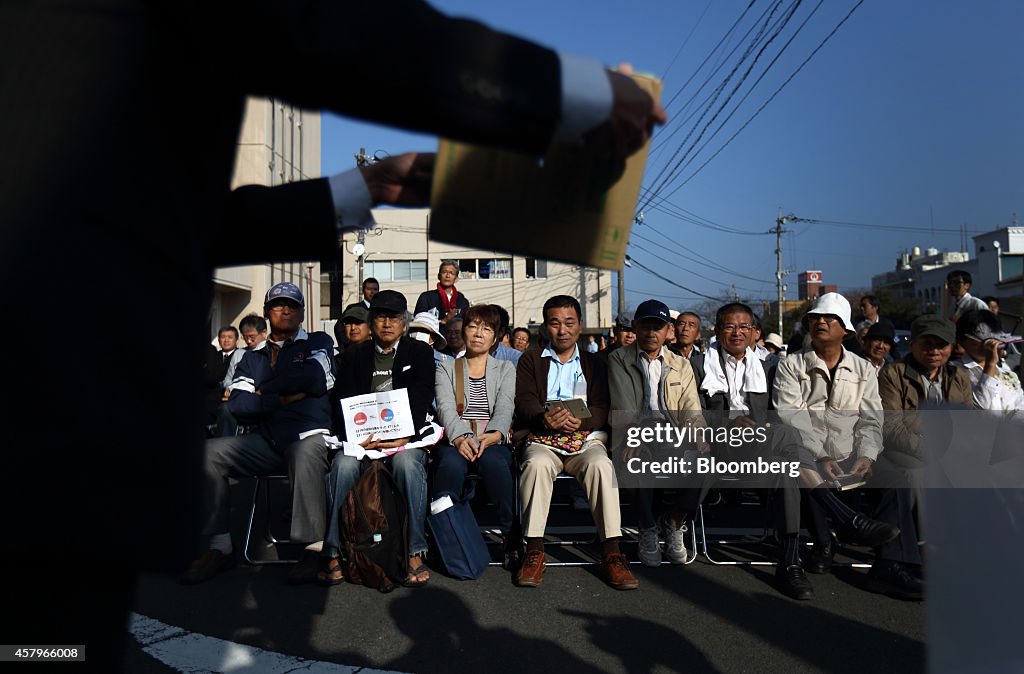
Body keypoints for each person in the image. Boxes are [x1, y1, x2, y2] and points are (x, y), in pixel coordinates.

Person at [3, 0, 665, 660]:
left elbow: (179, 216)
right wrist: (572, 91)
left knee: (45, 645)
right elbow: (326, 29)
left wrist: (358, 188)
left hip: (60, 416)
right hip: (49, 410)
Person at [182, 283, 335, 586]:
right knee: (208, 452)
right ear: (267, 313)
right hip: (267, 440)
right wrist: (280, 398)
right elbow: (237, 404)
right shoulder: (253, 356)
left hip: (310, 435)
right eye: (278, 305)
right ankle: (221, 547)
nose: (286, 310)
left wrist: (265, 387)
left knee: (304, 453)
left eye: (292, 305)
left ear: (302, 312)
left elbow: (316, 378)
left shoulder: (318, 341)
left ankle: (312, 548)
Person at [772, 293, 904, 584]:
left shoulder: (863, 368)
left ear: (846, 330)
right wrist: (823, 455)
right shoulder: (791, 364)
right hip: (809, 452)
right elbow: (792, 416)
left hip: (850, 453)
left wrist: (866, 455)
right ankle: (832, 535)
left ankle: (888, 564)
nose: (821, 321)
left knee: (896, 478)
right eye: (815, 317)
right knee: (791, 459)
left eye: (830, 318)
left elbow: (872, 419)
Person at [690, 303, 814, 599]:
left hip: (760, 449)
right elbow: (690, 414)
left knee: (784, 466)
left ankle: (790, 563)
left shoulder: (769, 367)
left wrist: (762, 427)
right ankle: (842, 517)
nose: (737, 332)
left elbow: (776, 412)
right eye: (730, 327)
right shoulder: (697, 365)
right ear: (717, 331)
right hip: (717, 447)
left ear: (753, 332)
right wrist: (729, 422)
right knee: (785, 439)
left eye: (744, 326)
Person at [513, 295, 637, 590]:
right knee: (536, 464)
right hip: (544, 438)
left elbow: (603, 405)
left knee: (600, 466)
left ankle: (612, 552)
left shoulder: (597, 362)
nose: (562, 330)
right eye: (555, 323)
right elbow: (525, 399)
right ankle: (534, 549)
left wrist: (580, 422)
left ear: (580, 326)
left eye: (569, 322)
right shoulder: (531, 359)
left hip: (585, 440)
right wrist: (545, 418)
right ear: (546, 327)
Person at [321, 290, 437, 586]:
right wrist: (357, 438)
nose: (387, 323)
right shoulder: (354, 354)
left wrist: (399, 438)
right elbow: (341, 402)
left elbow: (421, 400)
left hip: (404, 439)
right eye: (381, 316)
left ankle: (415, 549)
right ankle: (332, 550)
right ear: (371, 321)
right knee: (342, 466)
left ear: (405, 322)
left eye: (394, 317)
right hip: (363, 438)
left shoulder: (420, 353)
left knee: (409, 466)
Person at [875, 314, 973, 599]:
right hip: (902, 450)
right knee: (915, 473)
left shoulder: (958, 376)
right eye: (926, 344)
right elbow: (891, 426)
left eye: (941, 345)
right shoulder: (894, 373)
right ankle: (921, 551)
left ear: (951, 347)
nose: (934, 351)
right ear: (913, 344)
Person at [607, 300, 706, 569]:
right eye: (646, 325)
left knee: (705, 459)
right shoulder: (619, 358)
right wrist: (634, 436)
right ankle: (647, 527)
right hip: (632, 431)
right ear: (636, 327)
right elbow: (623, 405)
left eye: (658, 326)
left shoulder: (680, 364)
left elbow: (690, 406)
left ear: (668, 331)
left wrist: (697, 433)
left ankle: (674, 521)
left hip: (672, 432)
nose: (651, 332)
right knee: (638, 458)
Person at [432, 305, 517, 560]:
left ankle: (511, 533)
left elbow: (505, 406)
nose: (479, 333)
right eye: (473, 326)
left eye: (487, 329)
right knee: (449, 464)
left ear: (495, 337)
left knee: (495, 464)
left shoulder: (505, 369)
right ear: (463, 331)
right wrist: (460, 437)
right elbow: (445, 408)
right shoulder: (446, 368)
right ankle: (447, 533)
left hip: (491, 438)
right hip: (456, 437)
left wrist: (494, 434)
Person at [953, 310, 1024, 411]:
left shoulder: (1006, 372)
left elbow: (1021, 406)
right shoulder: (953, 371)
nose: (988, 344)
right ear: (962, 340)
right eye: (981, 337)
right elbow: (982, 407)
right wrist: (990, 365)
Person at [218, 314, 270, 436]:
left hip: (260, 399)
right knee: (225, 410)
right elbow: (229, 378)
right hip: (239, 396)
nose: (249, 341)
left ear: (264, 333)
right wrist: (229, 387)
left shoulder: (270, 351)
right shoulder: (240, 354)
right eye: (245, 337)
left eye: (252, 337)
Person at [416, 261, 470, 328]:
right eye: (444, 272)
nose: (447, 276)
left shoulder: (462, 301)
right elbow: (419, 321)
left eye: (451, 273)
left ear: (456, 279)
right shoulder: (426, 297)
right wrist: (443, 321)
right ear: (438, 276)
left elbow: (466, 324)